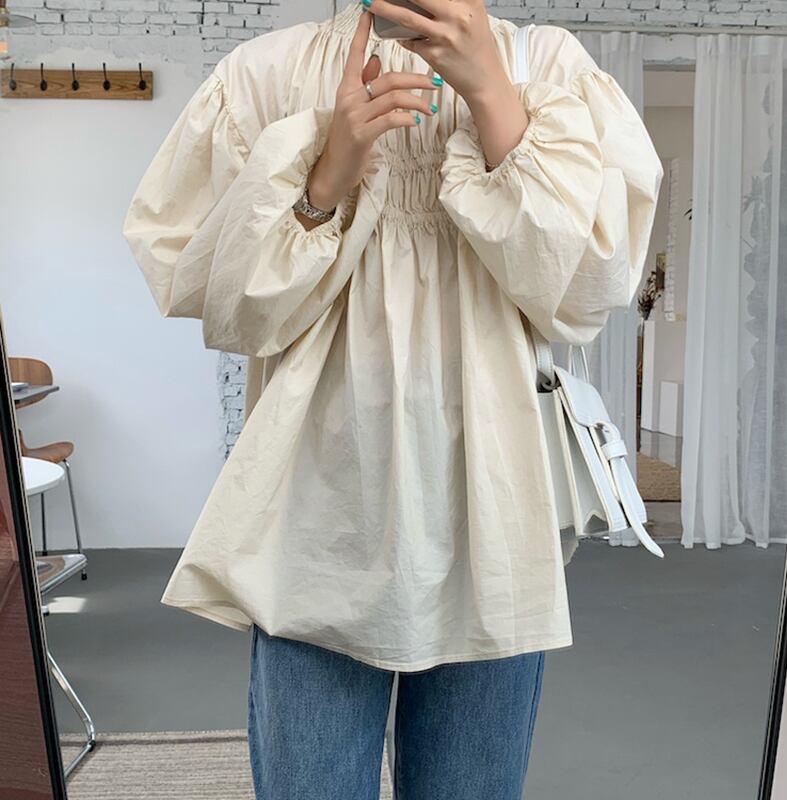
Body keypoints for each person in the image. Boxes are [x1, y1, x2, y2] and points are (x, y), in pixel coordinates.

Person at [122, 1, 663, 797]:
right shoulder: (266, 76)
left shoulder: (548, 70)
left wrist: (494, 96)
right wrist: (325, 176)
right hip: (314, 525)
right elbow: (228, 309)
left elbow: (586, 291)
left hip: (493, 525)